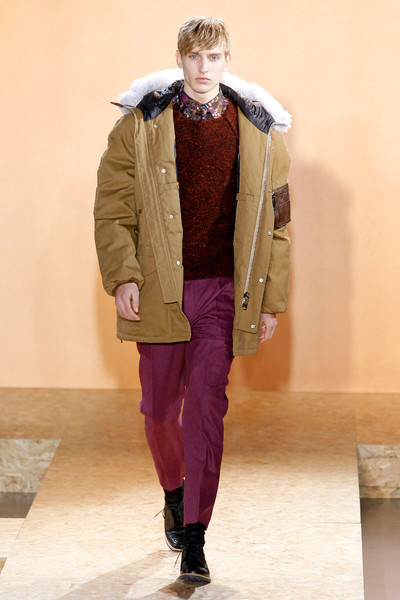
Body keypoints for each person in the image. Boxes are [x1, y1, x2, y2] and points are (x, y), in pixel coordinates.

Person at [94, 15, 291, 584]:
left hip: (224, 292)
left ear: (229, 60)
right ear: (179, 59)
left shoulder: (260, 132)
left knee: (206, 411)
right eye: (194, 57)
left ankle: (197, 539)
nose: (204, 68)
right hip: (160, 289)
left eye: (215, 57)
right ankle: (173, 493)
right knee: (160, 412)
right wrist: (123, 277)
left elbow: (278, 224)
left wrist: (270, 301)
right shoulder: (138, 126)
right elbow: (112, 209)